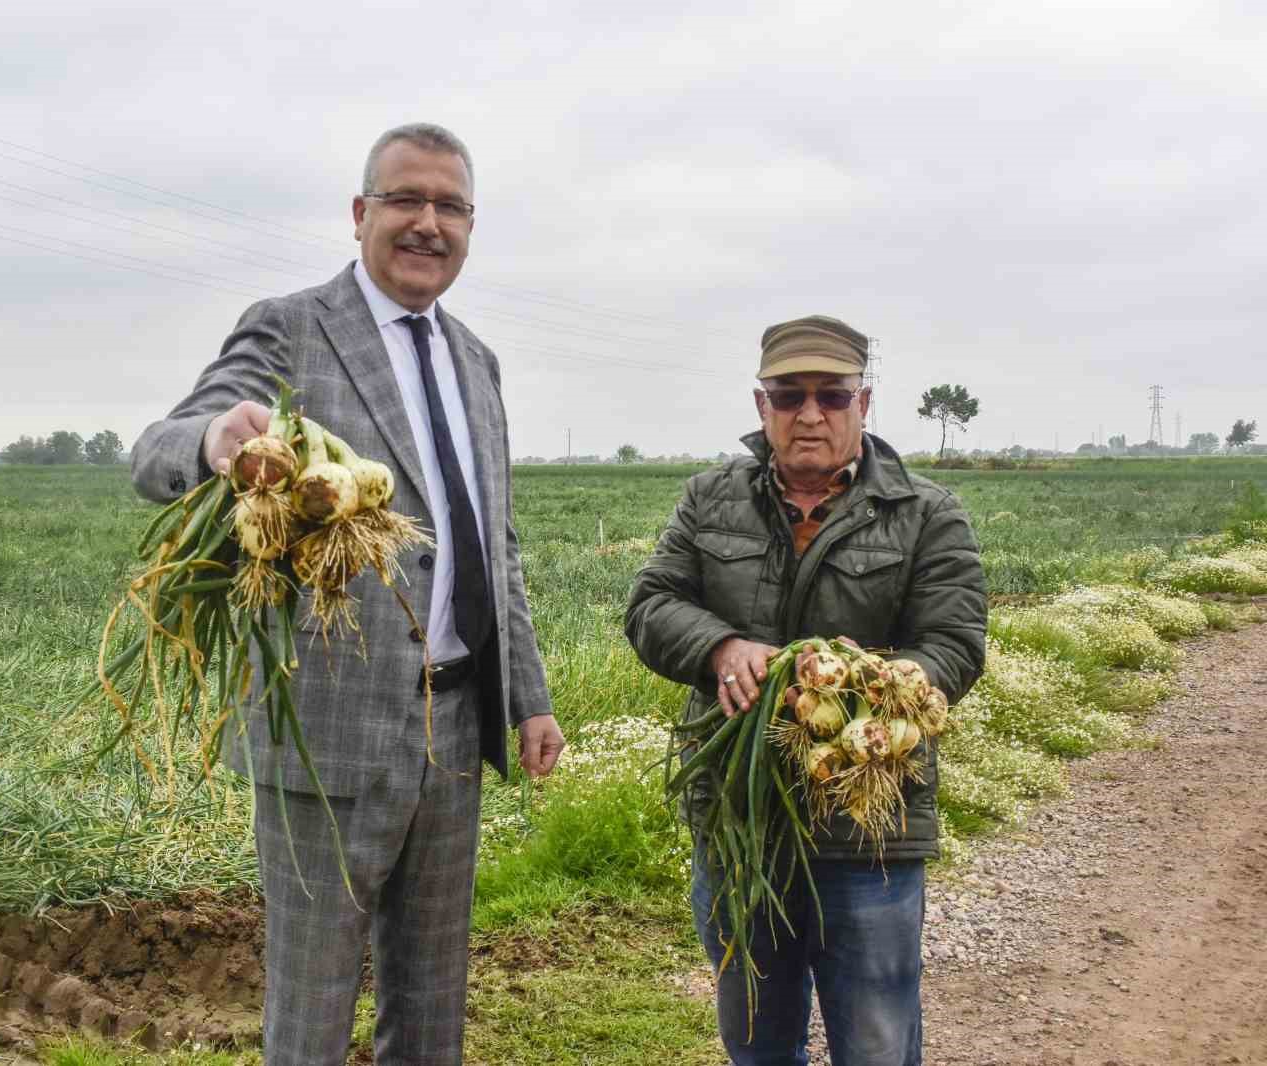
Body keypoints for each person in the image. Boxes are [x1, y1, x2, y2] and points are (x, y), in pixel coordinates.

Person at [130, 122, 564, 1066]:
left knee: (433, 998)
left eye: (449, 206)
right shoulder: (292, 328)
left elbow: (494, 544)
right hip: (328, 730)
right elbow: (159, 447)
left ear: (471, 226)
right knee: (314, 1005)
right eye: (406, 200)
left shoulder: (476, 361)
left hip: (454, 723)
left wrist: (527, 698)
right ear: (361, 213)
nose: (427, 223)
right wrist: (213, 442)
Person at [624, 315, 986, 1066]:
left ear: (864, 402)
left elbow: (954, 644)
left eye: (832, 395)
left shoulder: (926, 513)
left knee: (877, 1040)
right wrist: (720, 647)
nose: (811, 414)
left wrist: (875, 686)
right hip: (741, 814)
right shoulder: (709, 498)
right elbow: (651, 605)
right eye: (790, 396)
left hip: (869, 824)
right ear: (763, 406)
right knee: (756, 1036)